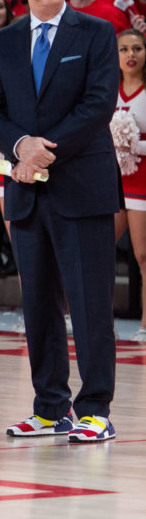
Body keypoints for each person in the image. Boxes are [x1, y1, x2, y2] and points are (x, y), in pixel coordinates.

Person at [0, 0, 120, 443]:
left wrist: (42, 150)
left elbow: (100, 103)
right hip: (26, 192)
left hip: (82, 186)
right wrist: (19, 146)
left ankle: (96, 408)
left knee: (90, 304)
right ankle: (50, 407)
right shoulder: (5, 41)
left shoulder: (97, 32)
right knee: (38, 305)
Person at [113, 29, 146, 341]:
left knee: (143, 255)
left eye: (137, 48)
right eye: (124, 49)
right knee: (98, 250)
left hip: (142, 183)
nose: (130, 55)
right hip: (110, 181)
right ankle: (95, 321)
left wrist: (133, 145)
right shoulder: (107, 90)